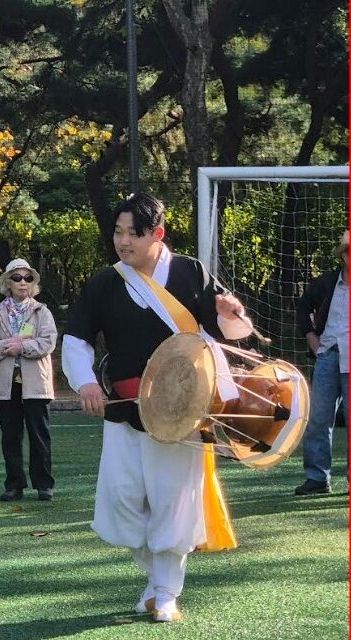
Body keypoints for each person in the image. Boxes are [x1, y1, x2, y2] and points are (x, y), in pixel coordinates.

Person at [61, 193, 253, 623]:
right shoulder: (105, 283)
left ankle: (166, 592)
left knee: (172, 503)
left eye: (134, 233)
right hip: (124, 409)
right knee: (122, 501)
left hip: (183, 411)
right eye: (118, 232)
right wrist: (85, 381)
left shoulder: (189, 272)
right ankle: (154, 579)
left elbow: (229, 331)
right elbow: (76, 339)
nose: (123, 241)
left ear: (157, 234)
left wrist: (231, 312)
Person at [0, 258, 58, 502]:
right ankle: (14, 485)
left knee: (39, 435)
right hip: (6, 383)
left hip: (36, 383)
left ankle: (44, 485)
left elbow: (48, 342)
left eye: (28, 278)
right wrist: (8, 346)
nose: (23, 282)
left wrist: (21, 347)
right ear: (7, 283)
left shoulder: (42, 311)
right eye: (17, 277)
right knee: (11, 436)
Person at [293, 230, 349, 495]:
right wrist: (312, 338)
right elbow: (302, 307)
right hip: (327, 355)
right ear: (343, 255)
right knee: (317, 418)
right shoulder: (326, 283)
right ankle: (317, 477)